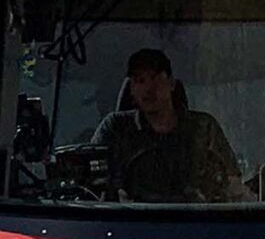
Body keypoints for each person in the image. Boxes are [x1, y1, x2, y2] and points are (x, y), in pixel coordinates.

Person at [89, 47, 244, 203]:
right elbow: (90, 183)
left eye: (155, 78)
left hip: (196, 215)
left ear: (171, 84)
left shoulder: (203, 128)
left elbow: (233, 183)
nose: (148, 89)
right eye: (139, 81)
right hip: (129, 217)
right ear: (132, 90)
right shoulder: (115, 129)